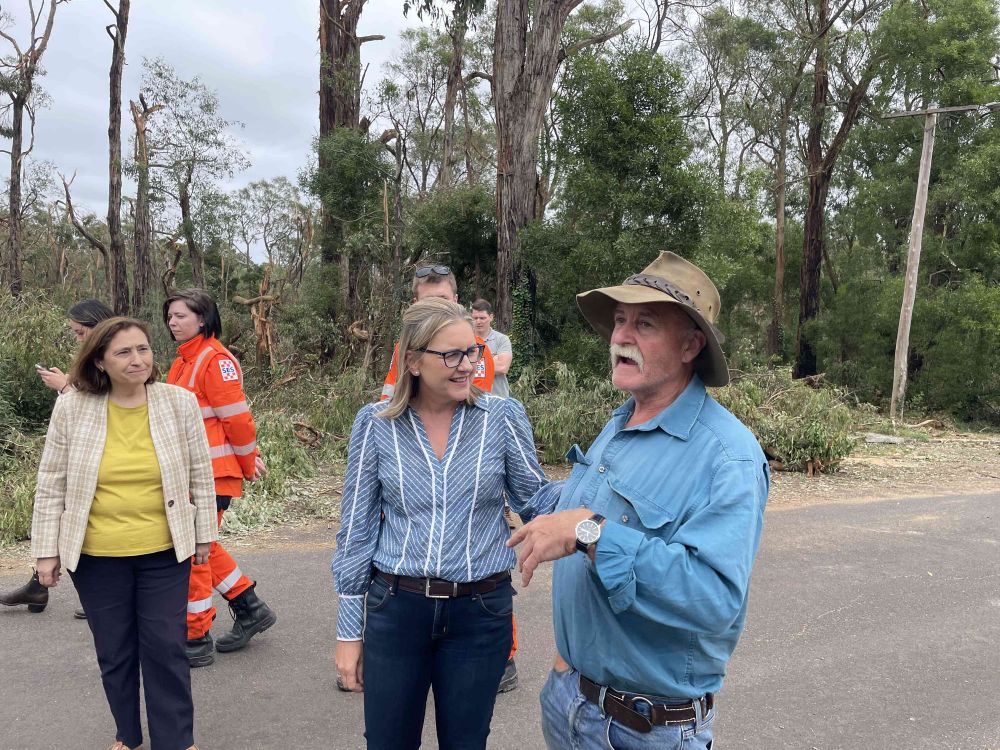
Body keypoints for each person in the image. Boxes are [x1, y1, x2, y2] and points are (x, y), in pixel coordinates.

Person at [508, 252, 770, 750]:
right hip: (570, 703)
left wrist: (590, 532)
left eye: (644, 324)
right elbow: (577, 512)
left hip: (642, 730)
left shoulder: (727, 458)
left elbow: (714, 599)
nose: (620, 337)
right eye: (620, 321)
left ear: (692, 344)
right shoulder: (622, 421)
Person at [332, 298, 557, 750]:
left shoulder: (502, 419)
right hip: (396, 610)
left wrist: (595, 493)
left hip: (480, 614)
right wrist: (348, 633)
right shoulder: (375, 425)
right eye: (451, 355)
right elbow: (356, 532)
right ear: (413, 360)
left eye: (472, 352)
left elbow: (537, 500)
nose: (469, 366)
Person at [30, 317, 216, 750]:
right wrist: (45, 551)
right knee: (115, 652)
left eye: (144, 349)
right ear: (100, 361)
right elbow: (51, 480)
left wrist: (204, 534)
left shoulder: (178, 402)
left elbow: (201, 474)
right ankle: (127, 737)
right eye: (124, 352)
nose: (139, 360)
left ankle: (175, 740)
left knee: (166, 649)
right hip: (96, 556)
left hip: (164, 551)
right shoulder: (73, 405)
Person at [377, 267, 520, 694]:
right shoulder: (406, 357)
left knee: (478, 545)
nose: (466, 363)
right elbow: (391, 406)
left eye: (442, 300)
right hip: (403, 593)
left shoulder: (468, 358)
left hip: (478, 592)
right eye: (425, 302)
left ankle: (506, 652)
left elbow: (478, 407)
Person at [164, 289, 276, 668]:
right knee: (200, 546)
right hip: (190, 475)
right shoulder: (182, 361)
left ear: (202, 318)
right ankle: (249, 606)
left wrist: (249, 462)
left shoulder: (214, 360)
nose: (173, 322)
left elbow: (237, 419)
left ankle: (195, 637)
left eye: (181, 315)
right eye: (170, 316)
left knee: (193, 554)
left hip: (212, 475)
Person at [1, 298, 113, 619]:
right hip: (80, 460)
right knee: (65, 514)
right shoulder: (92, 358)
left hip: (100, 469)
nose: (78, 339)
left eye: (81, 332)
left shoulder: (117, 359)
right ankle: (43, 586)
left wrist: (64, 387)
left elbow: (99, 407)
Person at [470, 299, 512, 399]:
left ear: (491, 317)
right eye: (475, 318)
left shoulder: (502, 339)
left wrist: (473, 363)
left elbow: (502, 368)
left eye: (482, 318)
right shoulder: (466, 339)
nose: (478, 322)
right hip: (472, 399)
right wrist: (493, 360)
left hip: (498, 399)